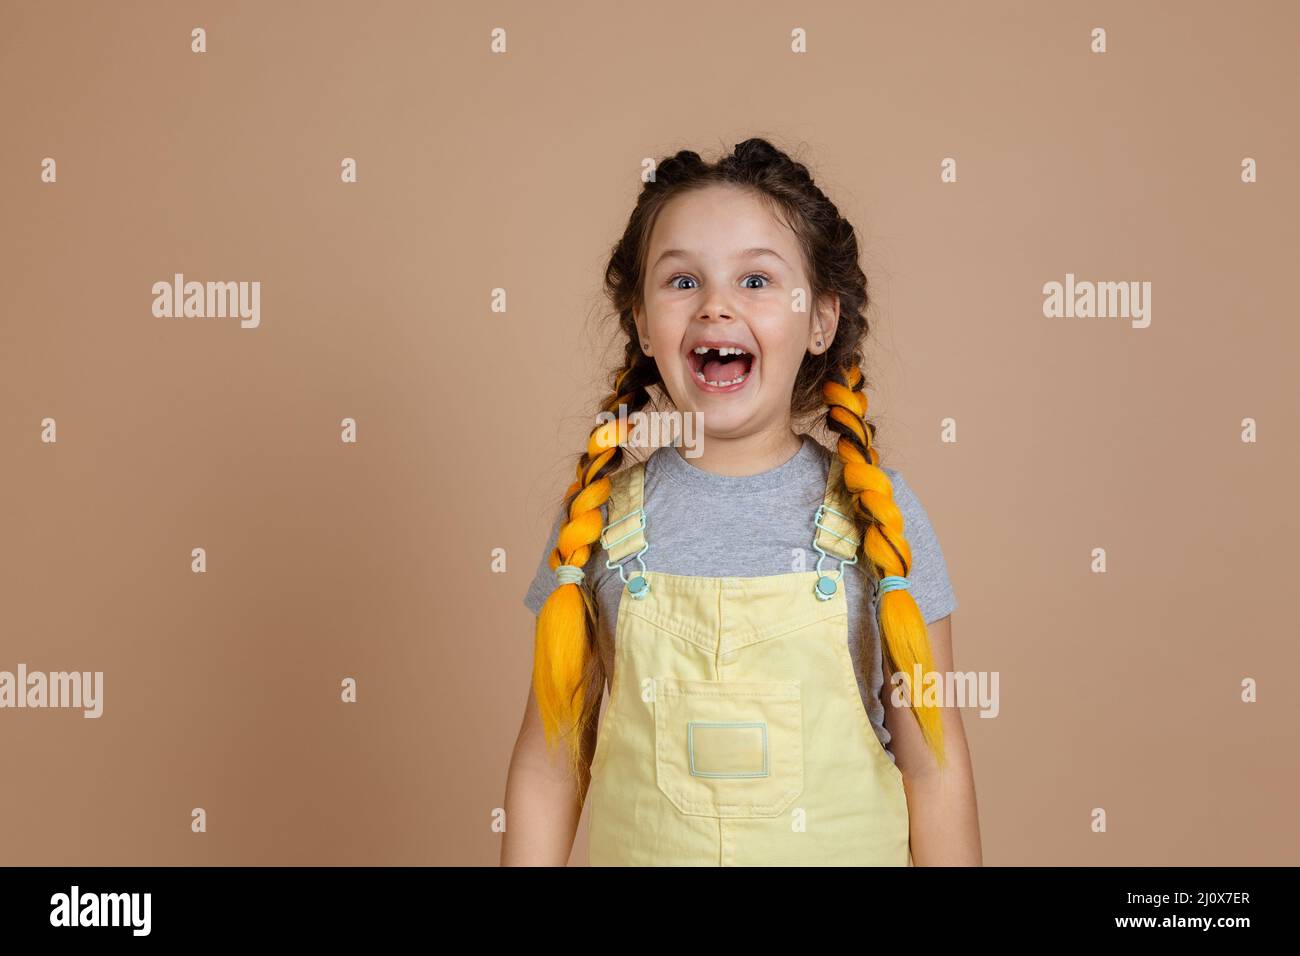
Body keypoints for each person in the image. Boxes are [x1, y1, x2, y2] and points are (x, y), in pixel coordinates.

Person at [501, 138, 982, 866]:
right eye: (683, 281)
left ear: (821, 321)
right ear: (640, 321)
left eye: (756, 280)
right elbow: (550, 767)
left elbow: (933, 769)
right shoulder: (595, 523)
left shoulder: (879, 518)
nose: (717, 306)